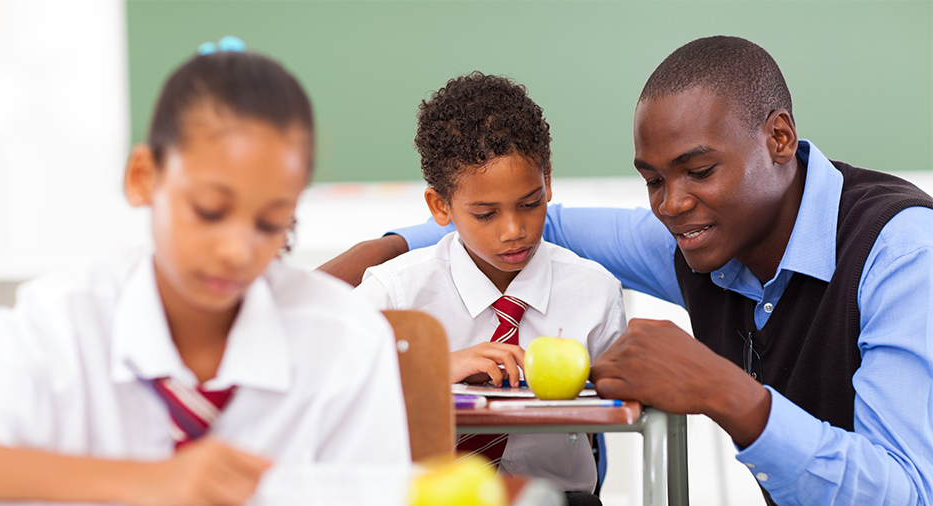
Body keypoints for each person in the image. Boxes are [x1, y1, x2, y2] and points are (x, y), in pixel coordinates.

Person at [320, 36, 933, 505]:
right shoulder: (696, 235)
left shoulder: (903, 252)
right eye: (653, 180)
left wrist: (726, 392)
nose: (670, 205)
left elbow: (909, 492)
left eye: (698, 171)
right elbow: (543, 228)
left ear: (778, 138)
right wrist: (381, 250)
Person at [0, 47, 410, 505]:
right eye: (209, 211)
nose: (237, 251)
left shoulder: (345, 339)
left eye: (271, 223)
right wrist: (148, 483)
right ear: (144, 177)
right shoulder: (60, 324)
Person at [353, 72, 625, 502]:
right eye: (485, 214)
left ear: (548, 181)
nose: (514, 230)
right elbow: (326, 393)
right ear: (440, 206)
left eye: (530, 203)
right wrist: (434, 371)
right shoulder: (395, 294)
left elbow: (625, 407)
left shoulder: (596, 293)